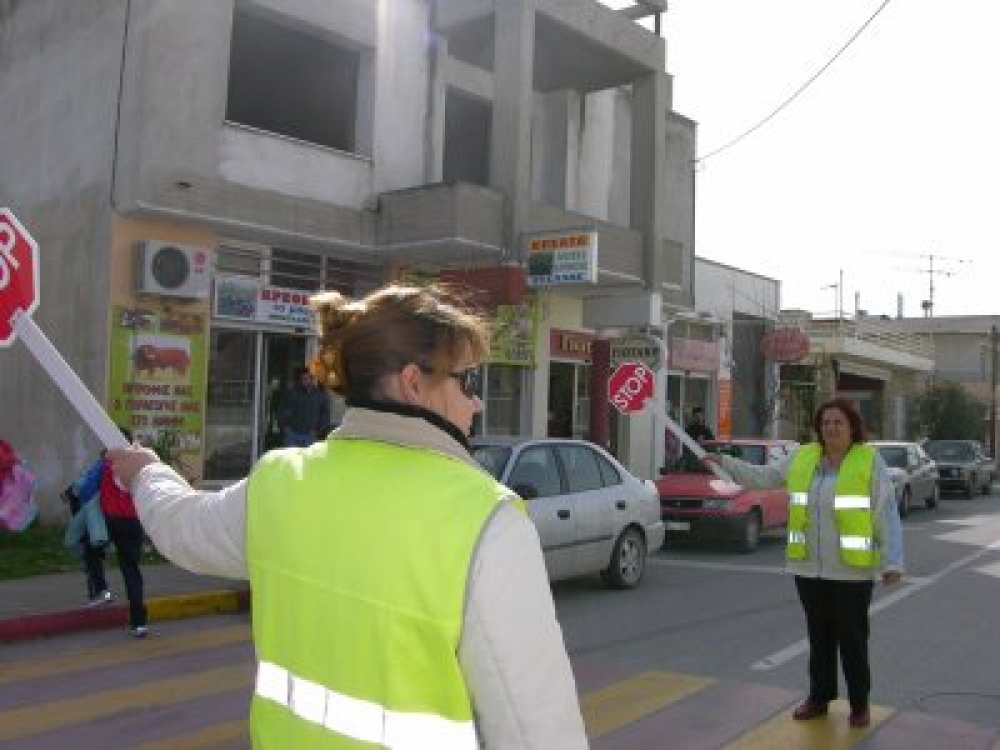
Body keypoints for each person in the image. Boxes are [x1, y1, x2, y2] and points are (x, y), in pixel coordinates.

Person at [108, 283, 588, 749]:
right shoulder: (487, 518)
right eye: (468, 380)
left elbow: (184, 529)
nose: (477, 401)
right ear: (413, 381)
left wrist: (147, 472)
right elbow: (536, 728)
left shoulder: (281, 481)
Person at [702, 397, 903, 729]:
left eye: (838, 422)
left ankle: (859, 704)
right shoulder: (803, 456)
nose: (831, 428)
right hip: (808, 568)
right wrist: (723, 462)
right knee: (819, 637)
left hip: (851, 571)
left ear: (853, 427)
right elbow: (764, 476)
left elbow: (886, 514)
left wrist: (892, 561)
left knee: (852, 640)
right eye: (825, 423)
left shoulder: (870, 461)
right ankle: (820, 697)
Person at [74, 430, 148, 637]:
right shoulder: (139, 466)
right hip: (134, 522)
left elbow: (85, 490)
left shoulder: (105, 465)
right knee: (131, 568)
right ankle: (139, 623)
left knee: (90, 546)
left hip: (110, 520)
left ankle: (100, 590)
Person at [277, 365, 331, 447]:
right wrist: (284, 427)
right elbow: (281, 410)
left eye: (306, 379)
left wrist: (318, 430)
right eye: (302, 379)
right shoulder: (291, 393)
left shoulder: (319, 395)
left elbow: (325, 414)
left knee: (309, 459)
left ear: (312, 379)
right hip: (292, 434)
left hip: (310, 435)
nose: (304, 381)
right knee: (291, 459)